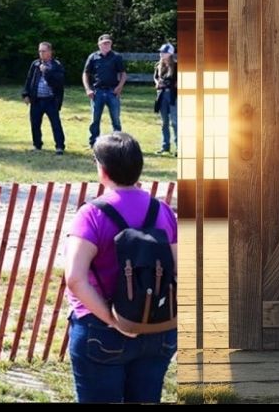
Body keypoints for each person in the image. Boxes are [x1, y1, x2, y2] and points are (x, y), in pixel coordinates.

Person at [63, 132, 178, 403]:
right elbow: (178, 270)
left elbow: (75, 279)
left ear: (102, 170)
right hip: (157, 327)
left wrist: (114, 320)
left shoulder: (91, 214)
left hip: (101, 330)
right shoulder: (162, 211)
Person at [21, 41, 67, 154]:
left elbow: (59, 82)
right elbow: (29, 79)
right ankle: (37, 145)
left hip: (51, 100)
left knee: (56, 124)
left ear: (50, 52)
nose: (41, 53)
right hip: (36, 99)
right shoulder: (35, 64)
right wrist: (25, 94)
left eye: (43, 51)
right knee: (35, 123)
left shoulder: (56, 65)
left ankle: (59, 147)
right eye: (40, 51)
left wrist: (46, 72)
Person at [81, 34, 127, 147]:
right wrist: (88, 89)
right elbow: (85, 73)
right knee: (95, 119)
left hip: (112, 92)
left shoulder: (116, 57)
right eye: (104, 43)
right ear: (99, 45)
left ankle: (118, 143)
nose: (106, 45)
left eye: (108, 43)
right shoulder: (93, 57)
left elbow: (123, 74)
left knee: (116, 119)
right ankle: (93, 143)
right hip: (97, 92)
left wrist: (119, 87)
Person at [154, 44, 177, 155]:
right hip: (162, 95)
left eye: (164, 52)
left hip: (173, 96)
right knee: (164, 122)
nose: (162, 54)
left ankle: (179, 147)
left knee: (175, 122)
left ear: (170, 53)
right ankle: (165, 146)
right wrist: (158, 83)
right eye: (161, 52)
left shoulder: (177, 66)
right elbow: (156, 78)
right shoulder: (158, 66)